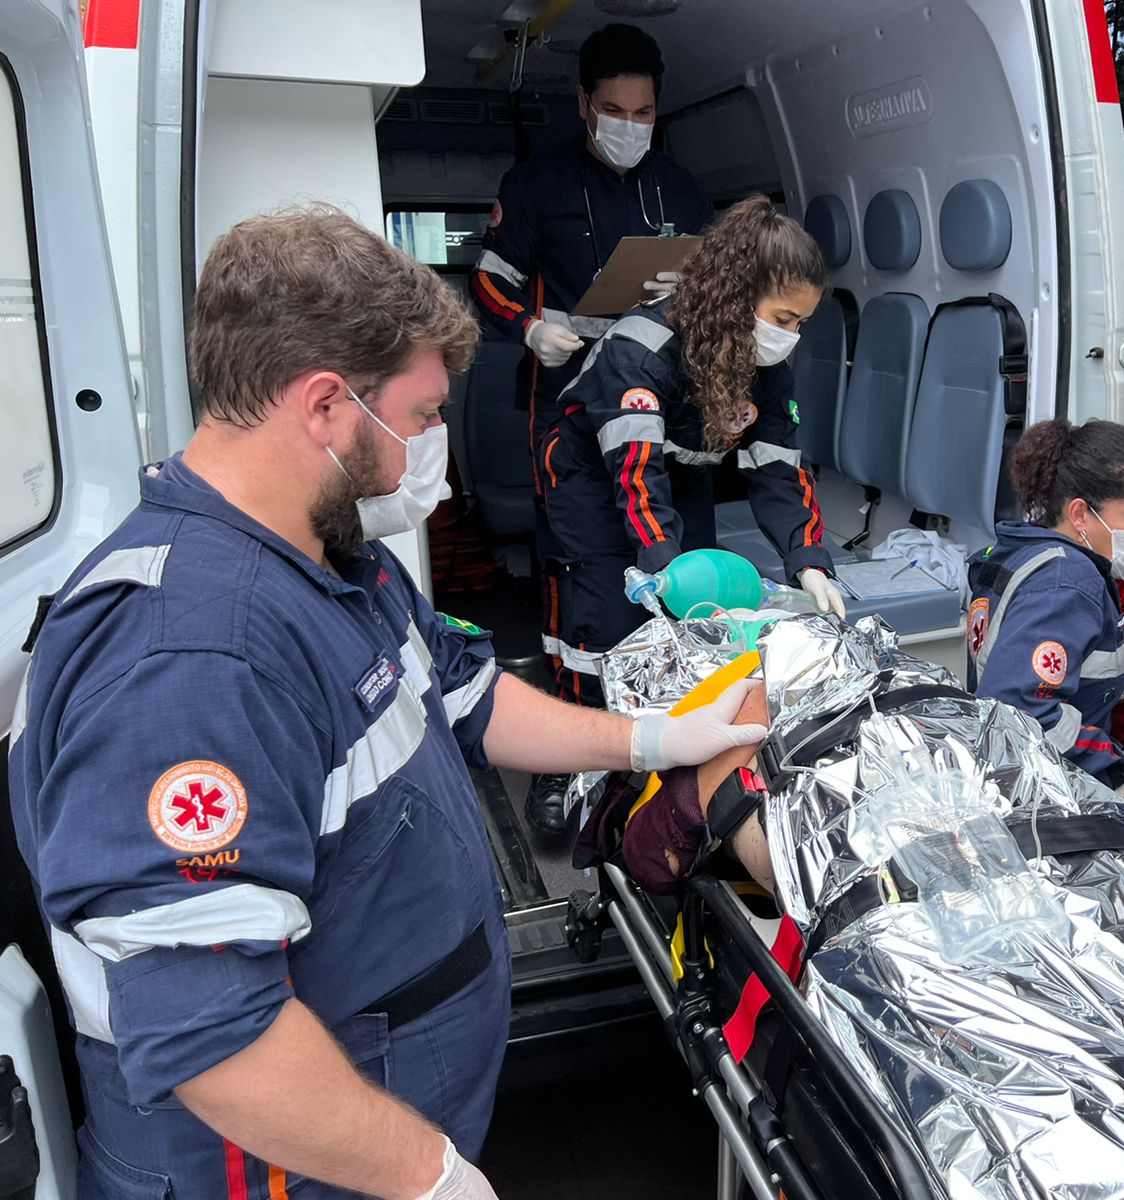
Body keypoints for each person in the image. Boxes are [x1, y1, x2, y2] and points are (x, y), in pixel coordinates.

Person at [8, 206, 767, 1200]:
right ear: (325, 406)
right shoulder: (193, 659)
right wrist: (428, 1176)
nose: (433, 447)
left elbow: (467, 697)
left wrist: (654, 737)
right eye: (419, 418)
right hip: (293, 1168)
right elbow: (210, 1030)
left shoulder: (328, 560)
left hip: (388, 1106)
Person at [539, 195, 845, 706]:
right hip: (591, 476)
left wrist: (808, 560)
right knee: (607, 624)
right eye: (785, 318)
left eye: (801, 324)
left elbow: (778, 467)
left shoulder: (766, 364)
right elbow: (635, 473)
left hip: (682, 473)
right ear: (737, 295)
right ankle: (574, 761)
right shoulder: (643, 348)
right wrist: (663, 563)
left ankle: (671, 747)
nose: (791, 337)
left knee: (700, 613)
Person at [470, 22, 713, 455]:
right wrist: (529, 329)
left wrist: (694, 290)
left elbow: (721, 284)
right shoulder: (535, 184)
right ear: (584, 103)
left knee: (655, 514)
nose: (630, 125)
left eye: (643, 113)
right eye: (614, 110)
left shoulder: (683, 188)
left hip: (660, 386)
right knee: (572, 515)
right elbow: (488, 279)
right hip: (566, 388)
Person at [966, 419, 1124, 791]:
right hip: (1051, 784)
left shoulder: (1018, 552)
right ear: (1079, 514)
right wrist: (1108, 767)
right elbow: (1021, 712)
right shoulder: (1067, 583)